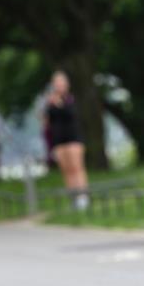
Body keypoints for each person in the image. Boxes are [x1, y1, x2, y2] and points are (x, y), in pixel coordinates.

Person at [43, 70, 89, 210]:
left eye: (61, 82)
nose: (59, 85)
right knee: (66, 170)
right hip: (58, 141)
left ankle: (83, 197)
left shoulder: (71, 99)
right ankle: (73, 199)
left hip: (73, 138)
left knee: (77, 168)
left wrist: (58, 103)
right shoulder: (50, 102)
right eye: (56, 82)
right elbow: (47, 122)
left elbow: (71, 115)